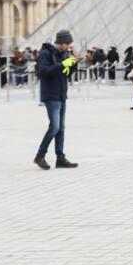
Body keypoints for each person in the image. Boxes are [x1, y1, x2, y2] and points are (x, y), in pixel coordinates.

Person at [34, 30, 79, 170]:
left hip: (61, 94)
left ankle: (60, 158)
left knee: (61, 128)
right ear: (62, 42)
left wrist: (73, 65)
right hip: (51, 95)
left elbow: (66, 74)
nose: (69, 47)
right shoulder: (45, 53)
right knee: (54, 126)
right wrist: (62, 65)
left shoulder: (63, 54)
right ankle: (40, 156)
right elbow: (43, 72)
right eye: (68, 44)